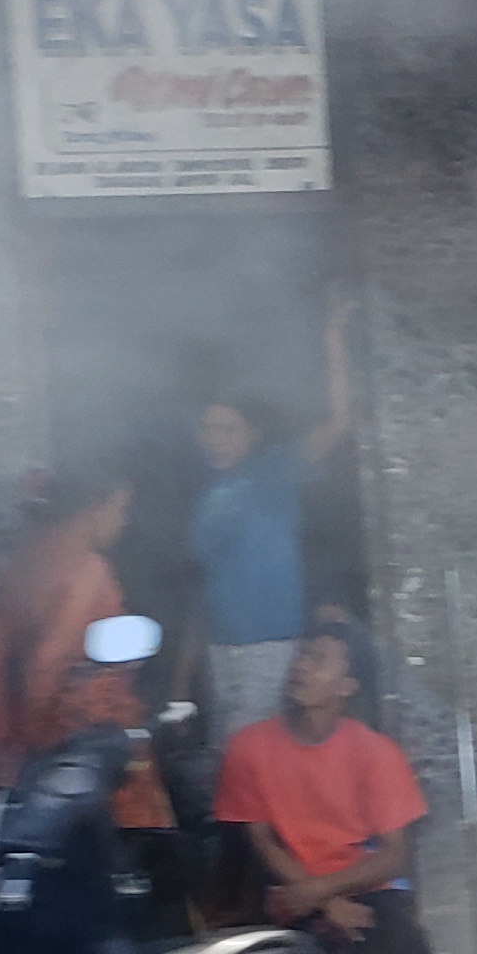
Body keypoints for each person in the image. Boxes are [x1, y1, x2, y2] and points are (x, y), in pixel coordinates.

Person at [212, 620, 477, 954]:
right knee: (315, 938)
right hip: (284, 887)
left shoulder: (375, 753)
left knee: (387, 920)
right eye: (301, 655)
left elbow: (394, 856)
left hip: (349, 886)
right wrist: (320, 899)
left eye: (318, 660)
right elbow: (259, 839)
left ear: (347, 686)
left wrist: (325, 893)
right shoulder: (250, 747)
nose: (300, 668)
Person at [185, 293, 357, 745]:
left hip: (270, 647)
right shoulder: (205, 494)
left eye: (228, 429)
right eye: (208, 429)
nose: (216, 439)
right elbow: (206, 585)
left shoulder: (274, 470)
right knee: (234, 759)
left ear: (252, 434)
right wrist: (189, 677)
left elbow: (337, 422)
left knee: (250, 753)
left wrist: (333, 338)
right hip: (222, 649)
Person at [0, 469, 169, 830]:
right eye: (120, 508)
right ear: (94, 508)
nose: (123, 521)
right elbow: (47, 662)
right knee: (131, 847)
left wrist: (6, 743)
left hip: (28, 732)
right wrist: (38, 744)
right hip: (89, 733)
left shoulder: (21, 564)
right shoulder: (89, 569)